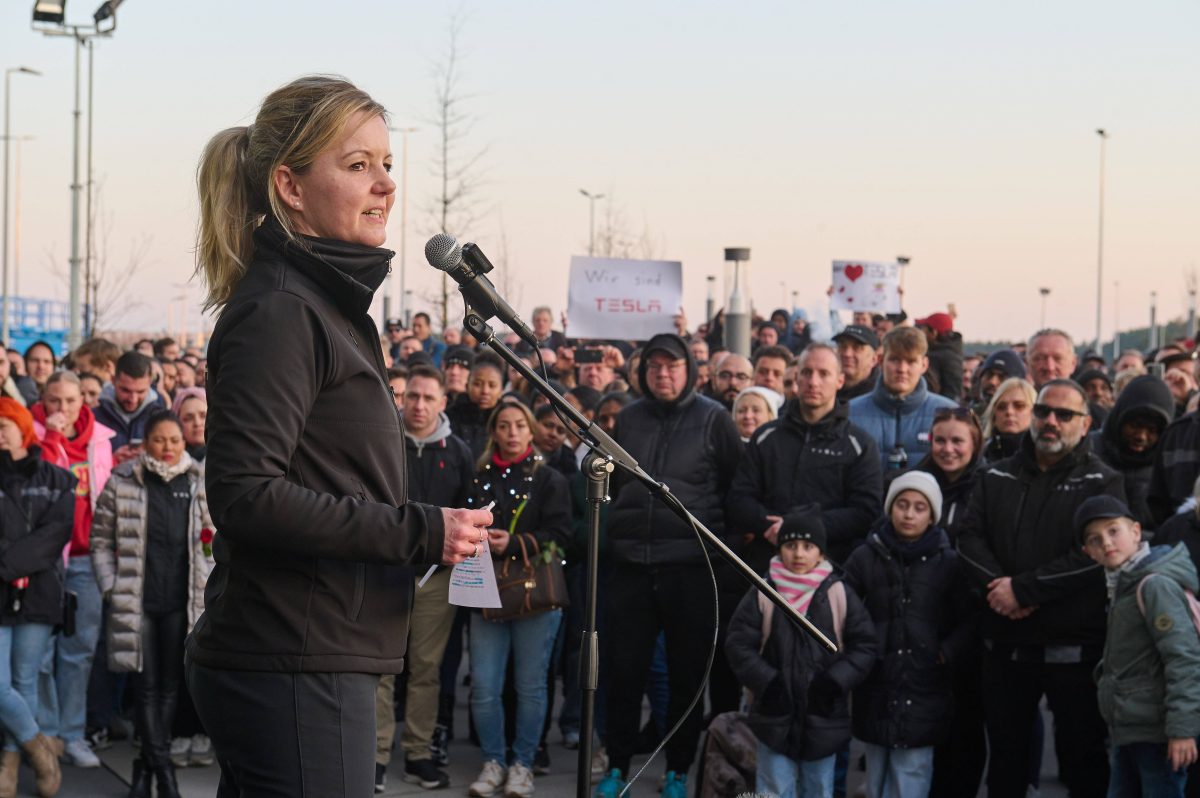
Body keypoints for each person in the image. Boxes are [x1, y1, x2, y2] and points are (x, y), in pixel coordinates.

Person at [185, 75, 489, 796]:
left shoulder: (327, 305)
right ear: (289, 185)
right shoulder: (283, 312)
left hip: (318, 652)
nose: (385, 183)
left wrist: (436, 527)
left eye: (386, 163)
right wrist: (420, 531)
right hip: (294, 657)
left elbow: (334, 477)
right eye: (357, 165)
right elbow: (246, 495)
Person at [957, 379, 1125, 797]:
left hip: (1073, 653)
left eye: (1064, 415)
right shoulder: (995, 474)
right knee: (1007, 763)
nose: (1051, 421)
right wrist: (1002, 591)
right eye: (1043, 411)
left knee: (1084, 760)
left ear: (1084, 425)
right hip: (1005, 646)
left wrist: (1024, 591)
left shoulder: (1102, 481)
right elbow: (968, 537)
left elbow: (1095, 554)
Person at [596, 333, 742, 798]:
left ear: (689, 370)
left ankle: (679, 768)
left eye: (672, 366)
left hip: (691, 568)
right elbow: (615, 481)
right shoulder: (629, 417)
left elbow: (731, 489)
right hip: (632, 567)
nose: (663, 373)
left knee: (686, 678)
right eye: (655, 366)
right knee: (623, 673)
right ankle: (617, 764)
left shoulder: (715, 419)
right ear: (643, 371)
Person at [90, 411, 214, 797]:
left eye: (175, 440)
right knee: (145, 687)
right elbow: (100, 543)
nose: (168, 448)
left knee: (169, 687)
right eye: (159, 440)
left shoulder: (198, 482)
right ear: (145, 443)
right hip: (138, 602)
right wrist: (111, 587)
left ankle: (145, 768)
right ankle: (166, 776)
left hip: (181, 601)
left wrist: (205, 583)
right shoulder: (123, 479)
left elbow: (212, 542)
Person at [723, 514, 876, 798]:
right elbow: (738, 644)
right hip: (774, 714)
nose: (799, 554)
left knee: (818, 788)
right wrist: (767, 682)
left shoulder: (837, 592)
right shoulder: (764, 591)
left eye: (808, 547)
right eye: (791, 545)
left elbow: (865, 645)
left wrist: (835, 681)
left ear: (821, 551)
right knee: (773, 788)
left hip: (824, 718)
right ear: (779, 548)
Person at [842, 472, 975, 798]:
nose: (909, 514)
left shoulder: (949, 563)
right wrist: (860, 650)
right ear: (890, 508)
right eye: (902, 504)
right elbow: (842, 606)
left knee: (912, 772)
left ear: (932, 515)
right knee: (875, 772)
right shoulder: (865, 557)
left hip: (925, 681)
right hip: (876, 679)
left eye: (919, 507)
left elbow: (969, 617)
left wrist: (946, 652)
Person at [374, 365, 474, 792]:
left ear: (442, 402)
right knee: (379, 670)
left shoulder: (460, 451)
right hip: (383, 572)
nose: (418, 405)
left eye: (427, 398)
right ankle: (375, 755)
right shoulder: (382, 440)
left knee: (426, 670)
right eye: (411, 396)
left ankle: (417, 753)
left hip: (437, 579)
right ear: (400, 397)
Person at [464, 402, 570, 798]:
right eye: (503, 425)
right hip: (484, 592)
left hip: (534, 597)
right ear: (494, 431)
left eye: (519, 425)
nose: (511, 432)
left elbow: (562, 533)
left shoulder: (548, 479)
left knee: (530, 686)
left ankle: (522, 764)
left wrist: (516, 542)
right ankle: (494, 760)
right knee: (485, 687)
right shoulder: (477, 477)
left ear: (531, 431)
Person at [1076, 496, 1200, 798]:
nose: (1106, 542)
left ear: (1135, 531)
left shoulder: (1153, 584)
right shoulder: (1123, 583)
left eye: (1113, 531)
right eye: (1095, 539)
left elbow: (1183, 658)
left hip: (1158, 732)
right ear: (1088, 552)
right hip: (1130, 728)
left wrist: (1182, 729)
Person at [728, 344, 882, 572]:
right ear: (796, 378)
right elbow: (739, 499)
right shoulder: (766, 436)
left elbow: (865, 511)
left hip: (832, 568)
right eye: (807, 372)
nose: (813, 381)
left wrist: (798, 529)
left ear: (839, 380)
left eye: (823, 373)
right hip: (767, 565)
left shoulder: (859, 444)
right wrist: (774, 528)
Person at [30, 371, 115, 770]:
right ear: (43, 401)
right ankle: (45, 734)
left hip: (86, 556)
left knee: (79, 653)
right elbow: (40, 481)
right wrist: (50, 435)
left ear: (84, 400)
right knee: (43, 654)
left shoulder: (100, 438)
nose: (61, 410)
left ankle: (72, 734)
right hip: (44, 561)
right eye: (53, 401)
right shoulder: (30, 432)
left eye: (68, 401)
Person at [0, 399, 74, 798]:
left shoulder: (57, 478)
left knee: (26, 679)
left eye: (5, 422)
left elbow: (55, 533)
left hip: (39, 591)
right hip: (2, 592)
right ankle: (39, 749)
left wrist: (7, 565)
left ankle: (9, 763)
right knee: (1, 683)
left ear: (23, 426)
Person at [849, 327, 958, 473]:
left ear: (924, 365)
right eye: (894, 359)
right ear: (881, 361)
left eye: (911, 361)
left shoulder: (950, 414)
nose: (902, 369)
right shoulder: (851, 413)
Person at [1088, 375, 1173, 529]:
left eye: (1151, 431)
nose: (1141, 436)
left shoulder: (1168, 463)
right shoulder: (1089, 450)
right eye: (1134, 426)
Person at [93, 351, 166, 465]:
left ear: (150, 383)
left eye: (141, 391)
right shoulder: (93, 418)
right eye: (125, 390)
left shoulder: (161, 418)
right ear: (113, 381)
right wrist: (111, 460)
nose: (133, 399)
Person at [447, 354, 507, 458]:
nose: (485, 391)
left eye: (492, 385)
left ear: (501, 390)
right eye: (477, 384)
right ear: (467, 386)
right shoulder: (450, 417)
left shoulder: (506, 419)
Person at [980, 377, 1035, 463]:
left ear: (1034, 413)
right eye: (1001, 407)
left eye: (1019, 406)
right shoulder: (979, 456)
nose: (1009, 412)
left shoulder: (1045, 457)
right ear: (994, 416)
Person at [915, 312, 963, 401]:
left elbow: (953, 392)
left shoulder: (949, 357)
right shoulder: (943, 353)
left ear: (934, 333)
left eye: (924, 329)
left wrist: (940, 410)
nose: (921, 333)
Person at [832, 325, 879, 403]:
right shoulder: (824, 391)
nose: (847, 354)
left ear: (874, 359)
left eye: (857, 348)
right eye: (842, 346)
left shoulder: (881, 398)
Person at [172, 388, 207, 462]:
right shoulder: (170, 459)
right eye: (188, 418)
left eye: (203, 416)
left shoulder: (229, 452)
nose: (197, 423)